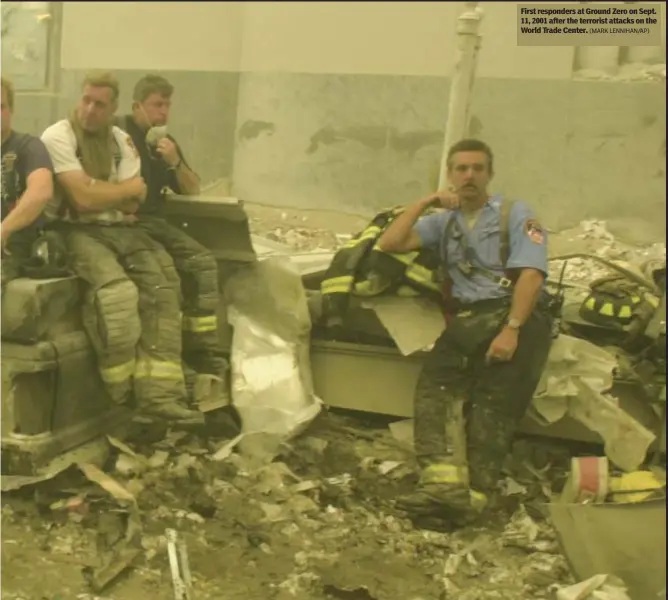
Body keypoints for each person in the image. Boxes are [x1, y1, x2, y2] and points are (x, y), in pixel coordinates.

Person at [377, 139, 553, 523]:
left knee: (495, 409)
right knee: (438, 392)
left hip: (511, 315)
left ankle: (472, 500)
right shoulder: (444, 222)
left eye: (477, 168)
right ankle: (444, 489)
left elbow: (531, 276)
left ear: (489, 174)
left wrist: (512, 330)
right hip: (471, 318)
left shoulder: (515, 214)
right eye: (461, 169)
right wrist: (427, 202)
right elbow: (390, 242)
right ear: (450, 175)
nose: (469, 176)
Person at [40, 70, 202, 426]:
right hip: (71, 231)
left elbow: (134, 203)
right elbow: (81, 201)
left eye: (99, 104)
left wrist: (99, 191)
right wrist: (113, 192)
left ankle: (159, 397)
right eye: (86, 100)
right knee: (117, 296)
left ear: (113, 108)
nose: (89, 110)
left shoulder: (121, 141)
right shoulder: (58, 136)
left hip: (119, 228)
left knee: (163, 286)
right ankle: (120, 397)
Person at [117, 74, 226, 383]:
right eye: (157, 105)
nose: (163, 112)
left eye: (167, 105)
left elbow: (193, 189)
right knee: (165, 278)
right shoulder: (118, 133)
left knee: (203, 263)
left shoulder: (164, 141)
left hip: (153, 223)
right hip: (124, 223)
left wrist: (175, 161)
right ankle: (164, 362)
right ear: (138, 106)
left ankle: (200, 349)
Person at [1, 76, 54, 287]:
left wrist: (4, 229)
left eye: (1, 106)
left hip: (15, 245)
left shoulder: (29, 147)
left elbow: (41, 191)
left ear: (11, 110)